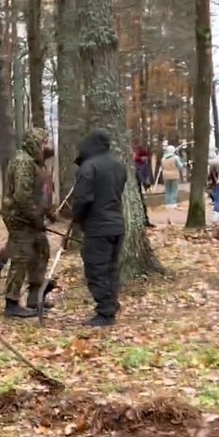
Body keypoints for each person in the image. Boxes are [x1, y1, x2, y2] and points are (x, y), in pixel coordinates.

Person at [71, 129, 128, 327]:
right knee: (111, 268)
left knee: (96, 269)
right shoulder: (118, 166)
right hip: (117, 225)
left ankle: (105, 311)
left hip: (98, 227)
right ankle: (110, 304)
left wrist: (76, 217)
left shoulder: (88, 168)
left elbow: (83, 198)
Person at [1, 128, 56, 319]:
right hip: (19, 218)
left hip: (33, 218)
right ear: (34, 143)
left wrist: (48, 213)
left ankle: (35, 296)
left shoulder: (36, 163)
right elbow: (22, 196)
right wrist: (35, 217)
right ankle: (12, 302)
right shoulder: (23, 162)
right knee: (21, 257)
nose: (46, 146)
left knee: (41, 251)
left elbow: (40, 192)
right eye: (43, 143)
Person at [159, 145, 184, 209]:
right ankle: (173, 203)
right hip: (174, 175)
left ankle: (168, 203)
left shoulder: (163, 159)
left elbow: (162, 167)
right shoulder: (175, 158)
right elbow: (180, 166)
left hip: (166, 175)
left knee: (167, 190)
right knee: (174, 189)